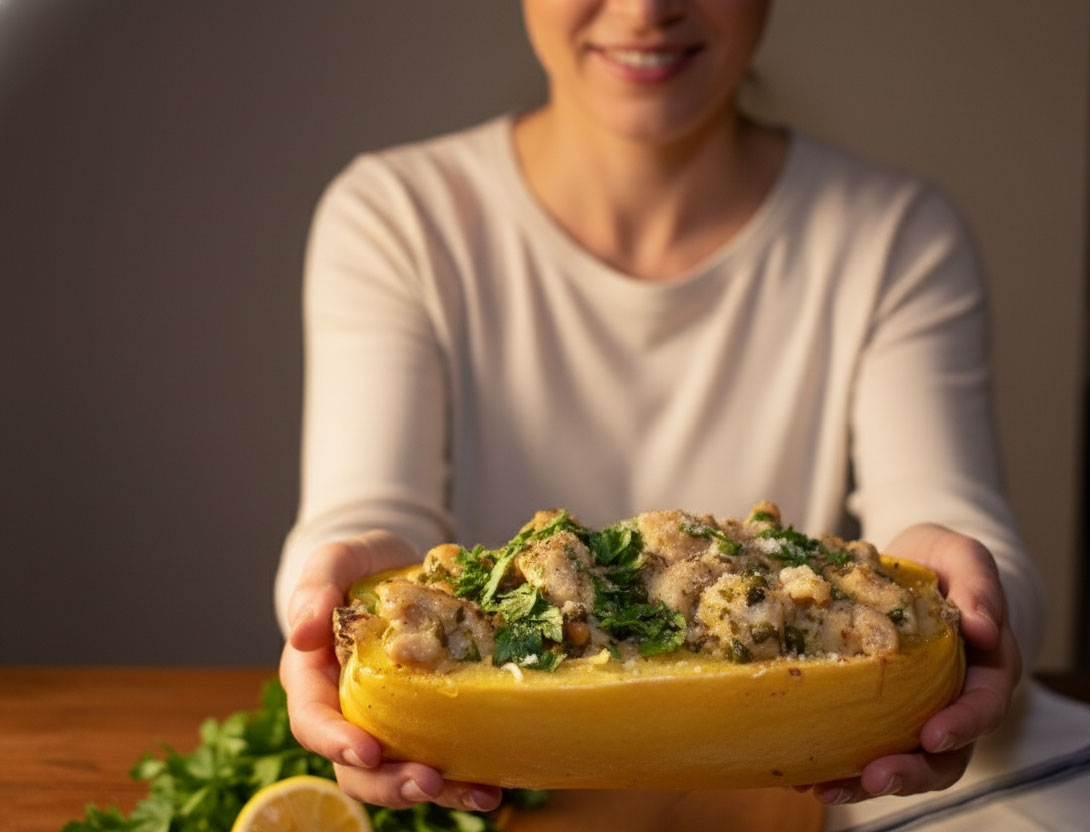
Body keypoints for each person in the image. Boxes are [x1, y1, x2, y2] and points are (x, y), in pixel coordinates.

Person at [276, 0, 1041, 815]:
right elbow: (361, 512)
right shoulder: (396, 215)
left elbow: (957, 526)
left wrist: (978, 609)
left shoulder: (898, 236)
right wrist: (326, 605)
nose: (645, 10)